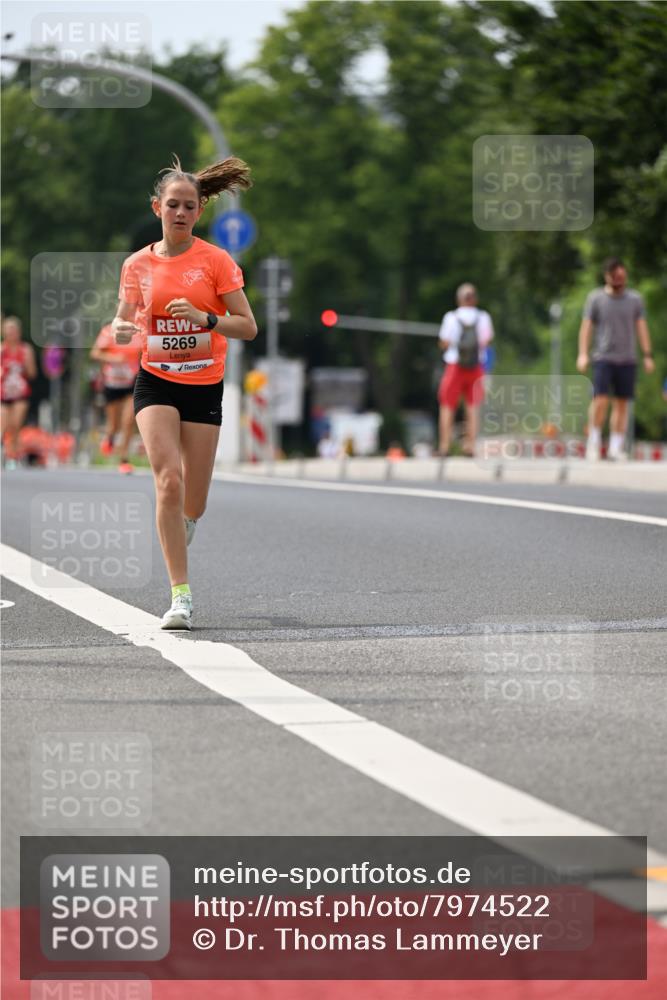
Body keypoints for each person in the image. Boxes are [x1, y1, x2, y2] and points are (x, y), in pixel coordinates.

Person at [112, 155, 257, 630]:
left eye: (188, 206)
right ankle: (181, 596)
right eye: (172, 204)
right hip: (155, 380)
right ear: (157, 208)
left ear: (199, 212)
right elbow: (125, 314)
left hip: (203, 384)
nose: (179, 212)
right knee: (167, 481)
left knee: (194, 501)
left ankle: (186, 520)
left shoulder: (216, 261)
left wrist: (206, 320)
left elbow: (248, 327)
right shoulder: (137, 265)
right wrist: (119, 327)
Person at [577, 257, 654, 461]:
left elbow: (641, 327)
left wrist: (647, 355)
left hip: (627, 358)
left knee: (622, 404)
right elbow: (586, 327)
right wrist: (583, 353)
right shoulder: (596, 298)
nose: (620, 281)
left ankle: (615, 447)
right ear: (607, 276)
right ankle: (593, 442)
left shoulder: (635, 300)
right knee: (600, 400)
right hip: (603, 357)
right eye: (615, 277)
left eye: (622, 277)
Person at [437, 283, 494, 456]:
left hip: (455, 365)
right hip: (476, 365)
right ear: (475, 299)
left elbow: (444, 342)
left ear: (459, 299)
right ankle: (470, 445)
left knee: (447, 404)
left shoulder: (451, 317)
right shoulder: (483, 317)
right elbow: (487, 341)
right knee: (473, 406)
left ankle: (445, 445)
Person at [90, 320, 142, 473]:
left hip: (132, 381)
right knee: (114, 425)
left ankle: (124, 459)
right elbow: (95, 353)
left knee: (128, 421)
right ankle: (110, 437)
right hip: (112, 382)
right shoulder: (108, 331)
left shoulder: (139, 331)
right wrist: (115, 359)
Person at [1, 316, 37, 466]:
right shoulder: (2, 349)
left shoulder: (25, 349)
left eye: (14, 331)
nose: (11, 334)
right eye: (8, 331)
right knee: (2, 424)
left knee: (15, 425)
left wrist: (23, 366)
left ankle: (12, 455)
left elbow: (32, 373)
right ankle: (4, 450)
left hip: (20, 393)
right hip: (3, 393)